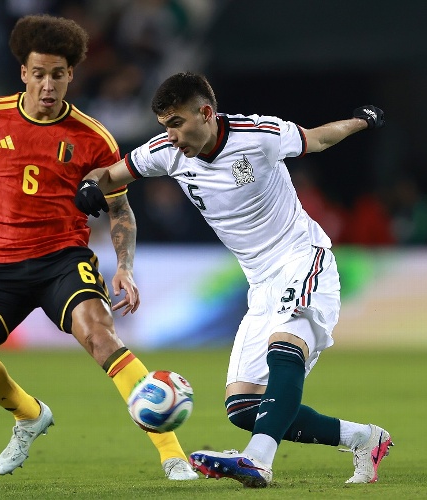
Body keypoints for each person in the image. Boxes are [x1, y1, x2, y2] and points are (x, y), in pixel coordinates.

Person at [0, 15, 197, 481]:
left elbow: (120, 209)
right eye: (38, 73)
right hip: (0, 264)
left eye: (57, 74)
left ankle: (172, 454)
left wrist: (124, 266)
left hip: (64, 260)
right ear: (23, 72)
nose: (47, 85)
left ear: (70, 75)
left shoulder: (92, 137)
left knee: (101, 336)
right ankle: (29, 414)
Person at [75, 72, 393, 487]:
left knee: (285, 347)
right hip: (259, 283)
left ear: (206, 113)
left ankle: (258, 461)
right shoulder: (166, 152)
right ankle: (364, 438)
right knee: (244, 407)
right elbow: (109, 174)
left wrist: (362, 121)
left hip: (302, 258)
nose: (171, 136)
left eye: (177, 123)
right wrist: (90, 185)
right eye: (165, 126)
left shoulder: (258, 135)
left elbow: (317, 139)